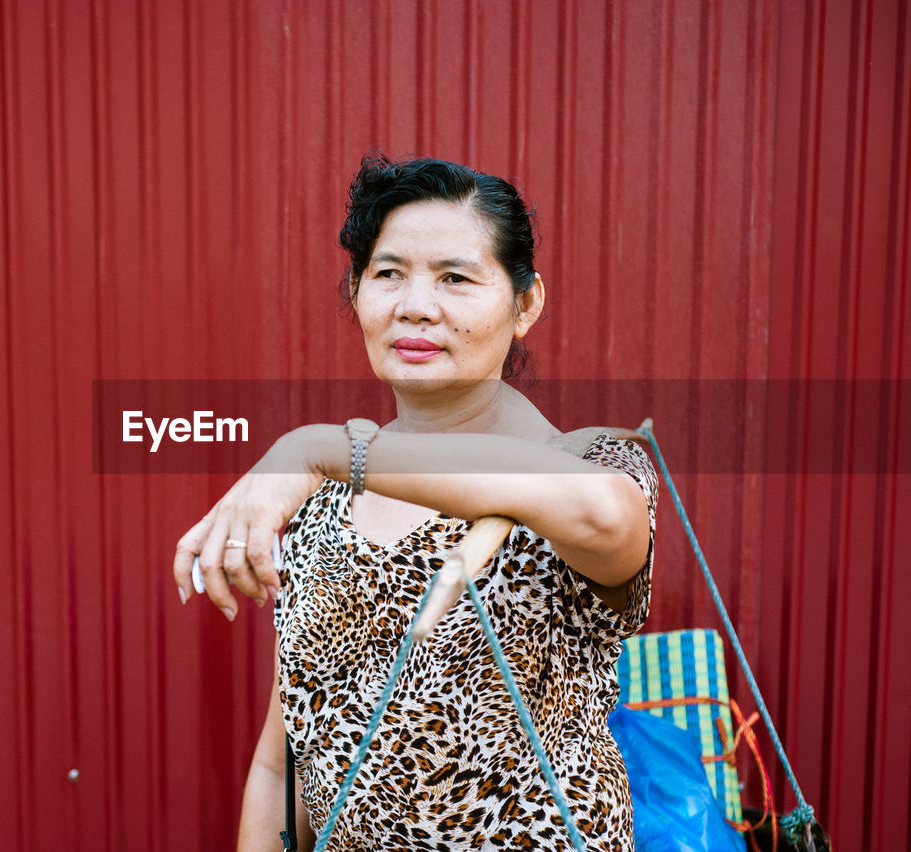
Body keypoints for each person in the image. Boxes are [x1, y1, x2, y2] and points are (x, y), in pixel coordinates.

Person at [173, 154, 658, 850]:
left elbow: (604, 515)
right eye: (389, 273)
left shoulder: (589, 465)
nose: (416, 305)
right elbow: (283, 760)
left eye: (456, 278)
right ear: (357, 291)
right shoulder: (325, 501)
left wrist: (317, 446)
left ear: (527, 304)